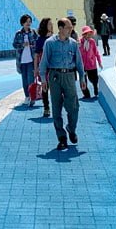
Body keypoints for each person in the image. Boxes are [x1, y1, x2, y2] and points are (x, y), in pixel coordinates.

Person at [39, 17, 86, 151]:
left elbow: (79, 62)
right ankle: (62, 137)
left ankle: (71, 128)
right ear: (60, 28)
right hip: (55, 77)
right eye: (68, 27)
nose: (71, 29)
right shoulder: (50, 43)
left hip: (70, 76)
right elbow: (44, 62)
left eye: (71, 27)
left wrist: (82, 78)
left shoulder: (73, 44)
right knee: (56, 107)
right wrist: (43, 79)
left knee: (74, 106)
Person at [12, 14, 39, 106]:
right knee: (24, 80)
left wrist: (32, 45)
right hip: (22, 60)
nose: (28, 23)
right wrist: (22, 45)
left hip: (31, 60)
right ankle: (27, 96)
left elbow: (37, 43)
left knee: (31, 79)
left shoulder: (33, 32)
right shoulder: (18, 33)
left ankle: (32, 96)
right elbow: (14, 45)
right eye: (26, 22)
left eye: (30, 22)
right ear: (22, 23)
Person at [34, 17, 54, 117]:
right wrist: (36, 68)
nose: (51, 25)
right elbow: (36, 55)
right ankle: (46, 107)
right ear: (45, 26)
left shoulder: (55, 38)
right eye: (49, 24)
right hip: (44, 67)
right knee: (45, 87)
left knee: (55, 87)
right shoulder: (40, 39)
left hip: (54, 66)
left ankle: (56, 107)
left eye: (51, 24)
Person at [79, 26, 103, 98]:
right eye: (87, 33)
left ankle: (96, 89)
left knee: (94, 80)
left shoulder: (92, 41)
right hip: (82, 65)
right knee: (83, 81)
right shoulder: (80, 42)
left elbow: (96, 53)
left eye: (90, 33)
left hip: (92, 65)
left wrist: (99, 62)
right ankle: (87, 95)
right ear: (84, 34)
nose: (89, 35)